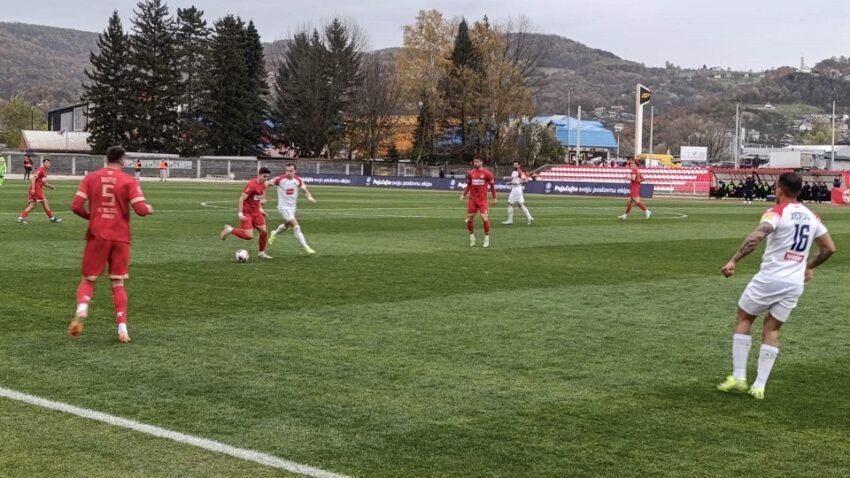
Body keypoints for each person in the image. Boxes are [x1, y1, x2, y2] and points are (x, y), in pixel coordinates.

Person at [718, 172, 835, 400]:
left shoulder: (776, 212)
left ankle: (739, 377)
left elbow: (756, 237)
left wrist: (734, 260)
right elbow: (829, 249)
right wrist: (807, 267)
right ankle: (759, 386)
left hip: (770, 278)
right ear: (799, 191)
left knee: (744, 317)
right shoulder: (812, 216)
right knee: (772, 329)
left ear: (778, 189)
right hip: (794, 283)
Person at [68, 146, 154, 343]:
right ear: (123, 161)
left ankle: (82, 309)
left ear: (105, 159)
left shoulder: (91, 178)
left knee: (88, 279)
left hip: (97, 234)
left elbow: (75, 206)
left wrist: (92, 217)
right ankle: (122, 329)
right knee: (117, 282)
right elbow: (140, 209)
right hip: (120, 237)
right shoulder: (129, 180)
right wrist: (148, 209)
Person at [219, 167, 273, 259]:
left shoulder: (263, 184)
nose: (266, 179)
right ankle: (230, 229)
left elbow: (257, 198)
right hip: (247, 212)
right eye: (264, 176)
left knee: (264, 232)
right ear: (259, 174)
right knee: (249, 236)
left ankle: (261, 253)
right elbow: (241, 199)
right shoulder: (251, 185)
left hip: (256, 212)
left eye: (267, 177)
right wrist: (240, 213)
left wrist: (261, 209)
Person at [266, 163, 317, 254]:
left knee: (287, 226)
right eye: (287, 170)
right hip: (283, 207)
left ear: (295, 171)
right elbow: (266, 184)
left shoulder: (298, 180)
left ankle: (274, 233)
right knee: (296, 226)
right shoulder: (279, 179)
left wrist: (309, 197)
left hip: (292, 208)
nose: (288, 173)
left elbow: (305, 191)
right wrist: (262, 196)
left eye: (290, 171)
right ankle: (307, 247)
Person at [460, 156, 497, 247]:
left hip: (482, 200)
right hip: (472, 200)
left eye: (477, 162)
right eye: (474, 162)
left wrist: (494, 198)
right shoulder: (470, 173)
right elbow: (469, 185)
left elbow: (492, 186)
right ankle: (472, 237)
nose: (475, 163)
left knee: (484, 218)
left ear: (481, 162)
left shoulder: (487, 173)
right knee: (469, 219)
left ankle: (487, 238)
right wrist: (463, 194)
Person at [17, 159, 61, 224]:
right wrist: (33, 189)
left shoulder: (45, 171)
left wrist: (50, 186)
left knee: (32, 205)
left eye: (49, 163)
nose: (48, 164)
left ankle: (20, 218)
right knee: (45, 202)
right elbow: (33, 178)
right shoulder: (41, 170)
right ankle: (52, 218)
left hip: (36, 189)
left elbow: (43, 182)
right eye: (47, 163)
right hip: (36, 189)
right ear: (43, 163)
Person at [502, 161, 534, 225]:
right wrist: (510, 182)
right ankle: (529, 217)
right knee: (520, 205)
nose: (515, 166)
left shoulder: (520, 172)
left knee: (509, 204)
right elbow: (514, 179)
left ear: (519, 166)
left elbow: (526, 180)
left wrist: (517, 183)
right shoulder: (514, 171)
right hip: (515, 189)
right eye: (514, 165)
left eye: (516, 165)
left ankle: (510, 220)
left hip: (516, 190)